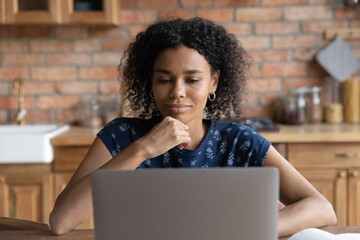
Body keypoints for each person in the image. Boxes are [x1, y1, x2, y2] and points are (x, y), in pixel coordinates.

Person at [49, 17, 337, 237]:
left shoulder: (240, 142)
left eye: (192, 79)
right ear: (150, 82)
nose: (177, 92)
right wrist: (143, 148)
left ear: (213, 82)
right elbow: (61, 221)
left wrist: (247, 229)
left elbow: (322, 208)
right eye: (164, 79)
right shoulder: (121, 136)